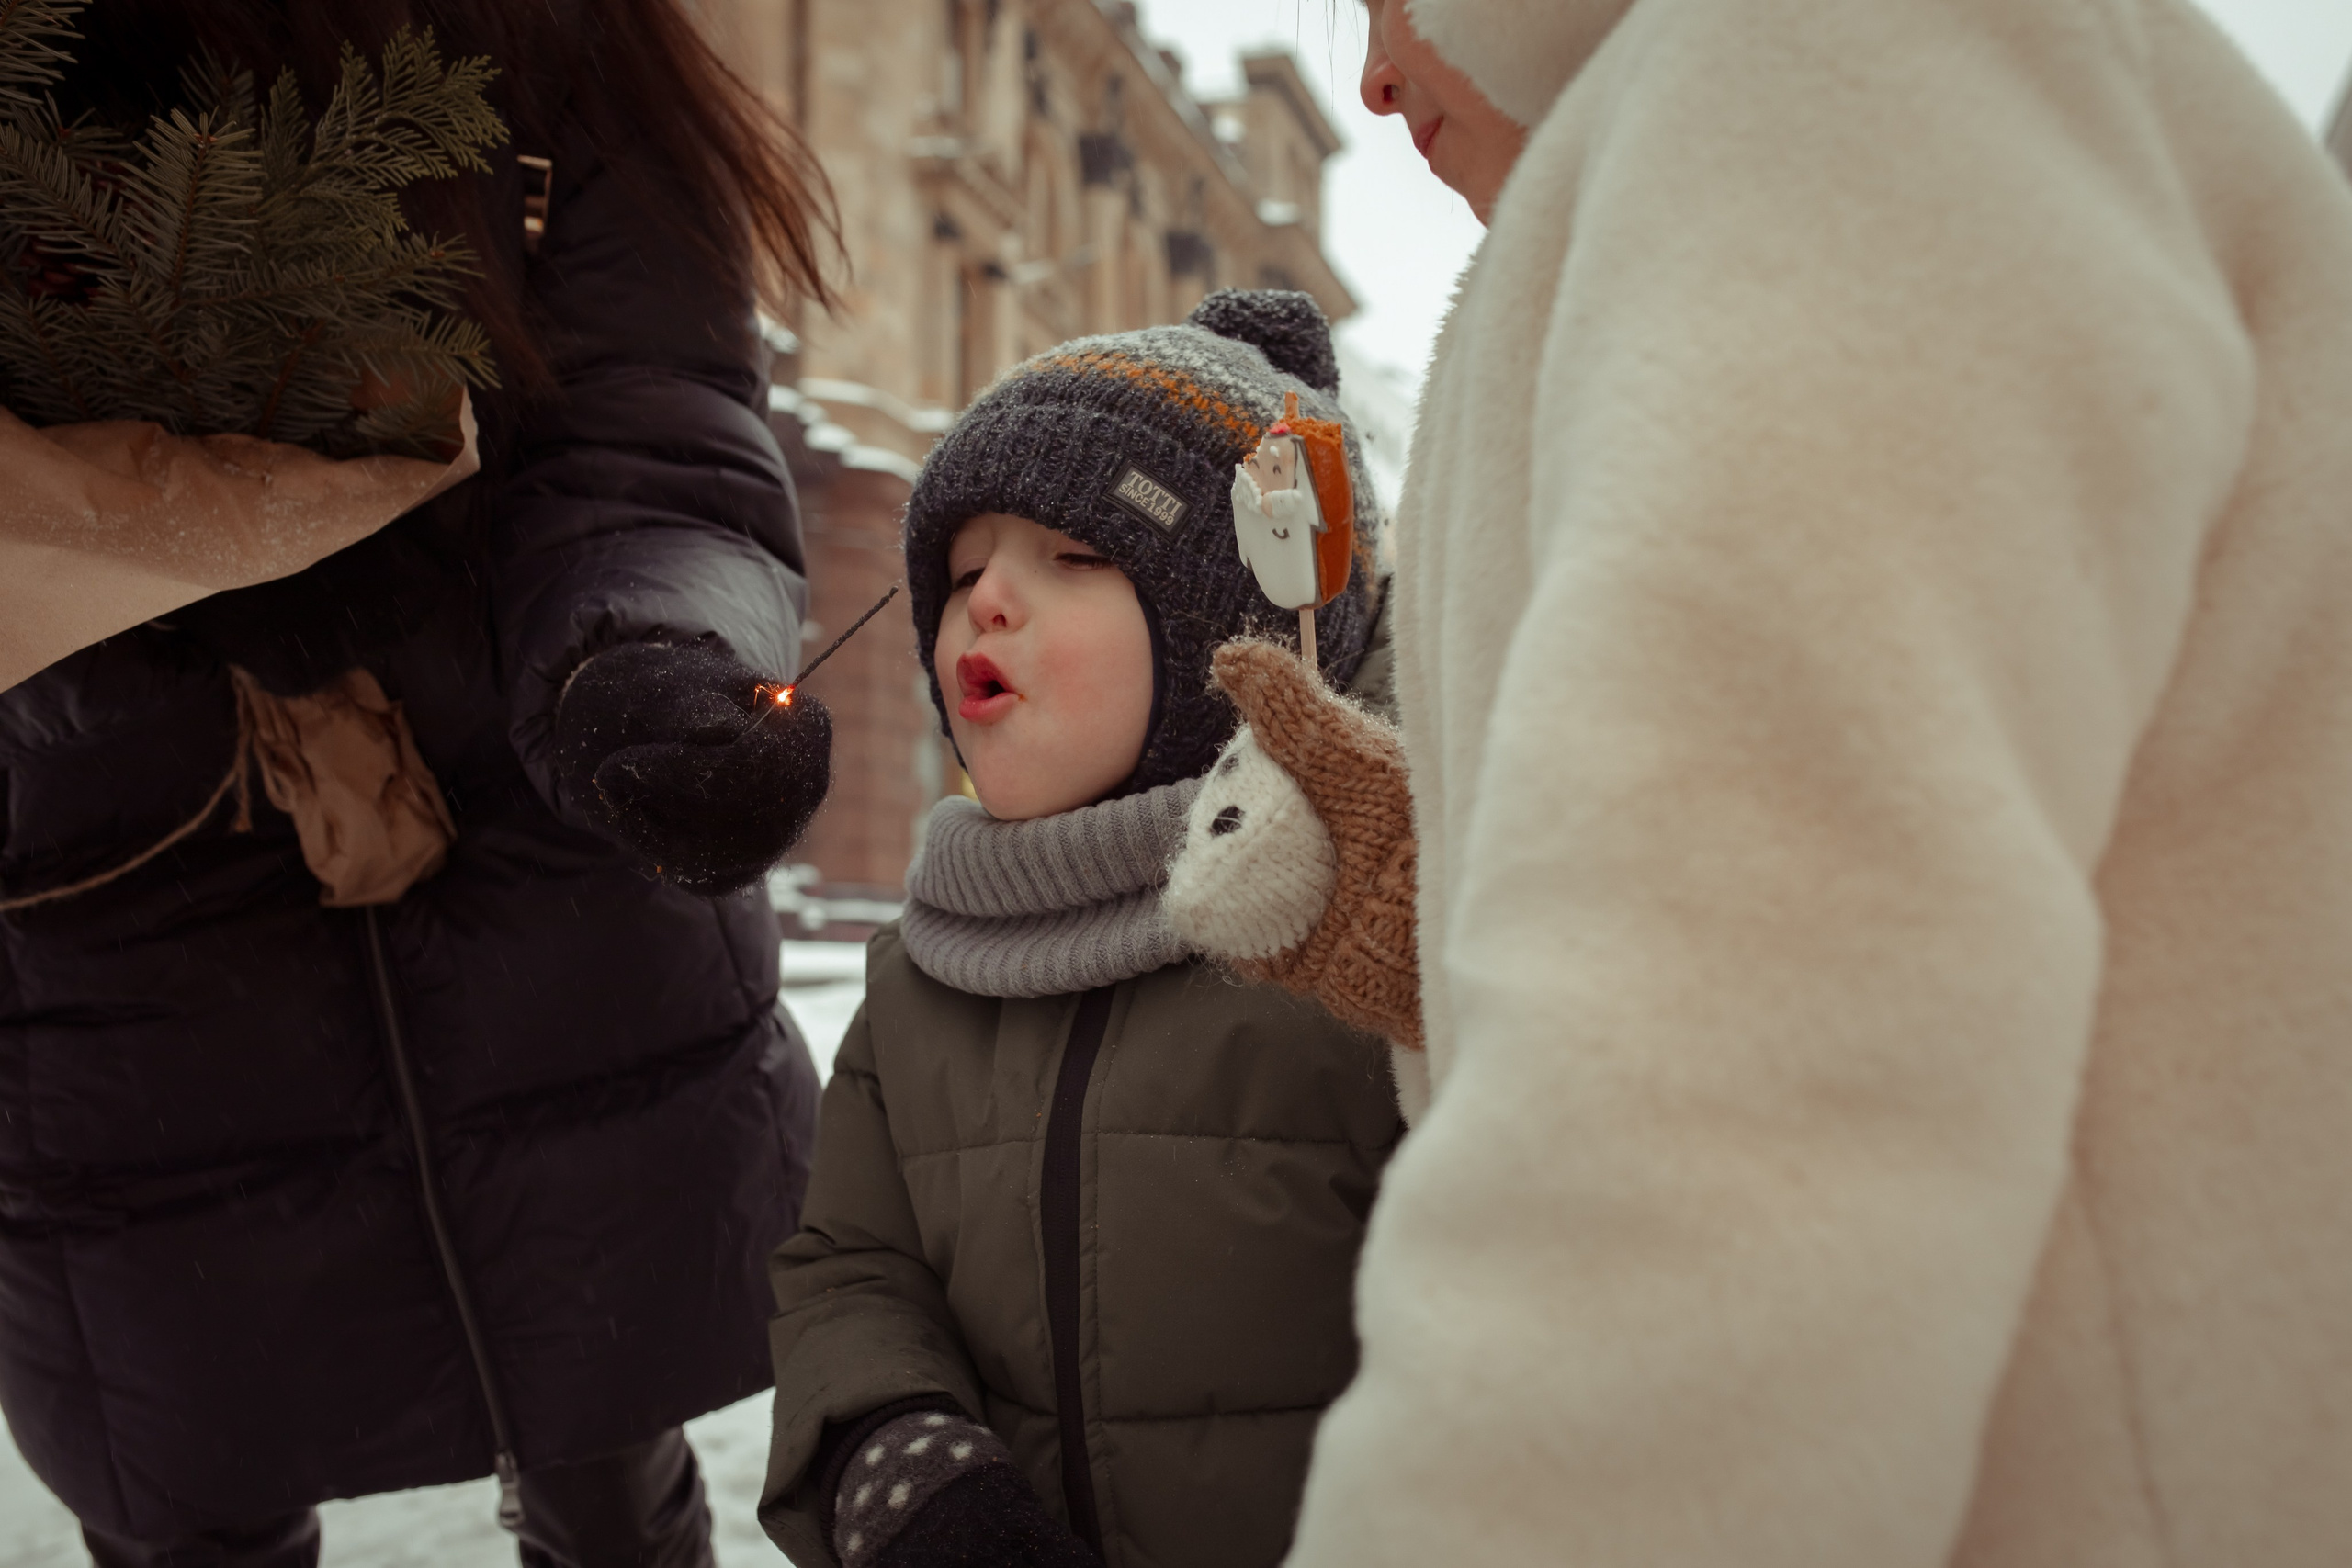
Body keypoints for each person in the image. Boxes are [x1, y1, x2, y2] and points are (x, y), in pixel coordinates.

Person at [1258, 0, 2352, 1564]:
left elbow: (1738, 1101)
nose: (1370, 72)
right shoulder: (1768, 110)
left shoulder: (1828, 71)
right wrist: (1449, 897)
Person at [0, 3, 839, 1564]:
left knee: (610, 1443)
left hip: (540, 868)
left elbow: (656, 434)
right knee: (192, 1485)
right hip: (119, 944)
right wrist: (85, 635)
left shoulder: (542, 39)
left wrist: (649, 659)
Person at [759, 292, 1407, 1568]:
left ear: (1252, 623)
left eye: (1076, 557)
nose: (985, 603)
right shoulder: (926, 967)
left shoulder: (1375, 925)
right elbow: (850, 1267)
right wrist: (904, 1468)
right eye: (958, 574)